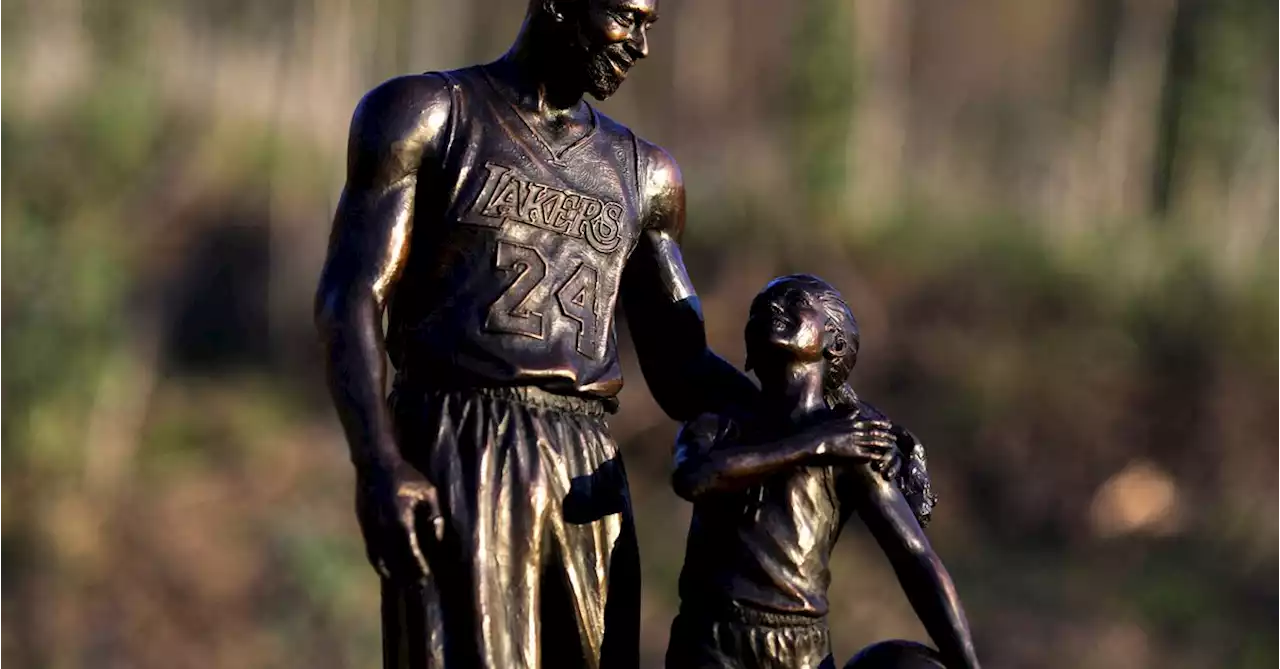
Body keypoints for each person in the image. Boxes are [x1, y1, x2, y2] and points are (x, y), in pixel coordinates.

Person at [313, 1, 874, 667]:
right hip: (462, 442)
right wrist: (378, 461)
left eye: (648, 26)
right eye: (624, 18)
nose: (638, 45)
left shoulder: (645, 176)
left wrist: (845, 429)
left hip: (588, 470)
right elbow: (351, 296)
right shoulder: (428, 114)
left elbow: (681, 365)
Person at [666, 274, 980, 669]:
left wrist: (968, 663)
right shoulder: (717, 425)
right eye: (759, 307)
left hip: (798, 651)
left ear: (835, 343)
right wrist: (816, 444)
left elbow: (916, 559)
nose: (772, 308)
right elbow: (693, 477)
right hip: (708, 641)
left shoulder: (854, 445)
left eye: (794, 300)